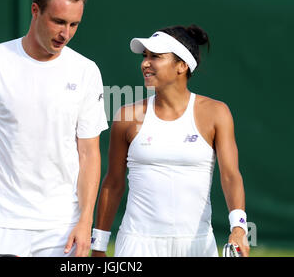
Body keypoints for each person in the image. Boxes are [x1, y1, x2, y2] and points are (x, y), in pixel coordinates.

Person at [0, 0, 108, 257]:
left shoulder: (87, 71)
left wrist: (86, 222)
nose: (66, 33)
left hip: (63, 230)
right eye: (58, 21)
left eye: (74, 25)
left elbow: (89, 154)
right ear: (35, 11)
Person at [90, 25, 249, 257]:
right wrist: (99, 246)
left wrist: (239, 227)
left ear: (182, 65)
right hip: (136, 245)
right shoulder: (126, 116)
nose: (145, 63)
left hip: (197, 245)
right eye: (145, 56)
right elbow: (113, 183)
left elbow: (230, 175)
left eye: (155, 57)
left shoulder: (217, 113)